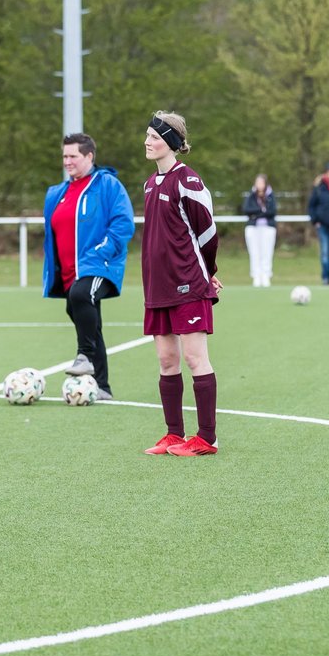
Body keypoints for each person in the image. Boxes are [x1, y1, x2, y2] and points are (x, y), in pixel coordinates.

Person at [140, 111, 224, 457]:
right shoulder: (149, 184)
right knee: (166, 359)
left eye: (155, 137)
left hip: (189, 284)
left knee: (194, 357)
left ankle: (207, 438)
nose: (148, 141)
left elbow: (207, 232)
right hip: (157, 287)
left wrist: (208, 271)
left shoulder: (187, 181)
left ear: (171, 143)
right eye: (146, 135)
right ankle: (174, 433)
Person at [42, 132, 135, 401]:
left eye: (73, 156)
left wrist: (101, 251)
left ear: (89, 156)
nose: (67, 161)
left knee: (82, 296)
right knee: (82, 312)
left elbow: (123, 223)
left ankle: (84, 356)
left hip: (99, 265)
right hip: (70, 271)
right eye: (64, 156)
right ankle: (102, 386)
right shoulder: (56, 193)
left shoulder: (107, 185)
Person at [243, 173, 278, 287]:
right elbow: (247, 209)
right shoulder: (251, 195)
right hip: (253, 228)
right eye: (257, 182)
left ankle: (266, 276)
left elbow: (272, 211)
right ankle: (256, 276)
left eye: (261, 182)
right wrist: (261, 211)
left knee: (267, 252)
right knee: (254, 252)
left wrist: (256, 214)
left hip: (268, 228)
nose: (259, 185)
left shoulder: (270, 195)